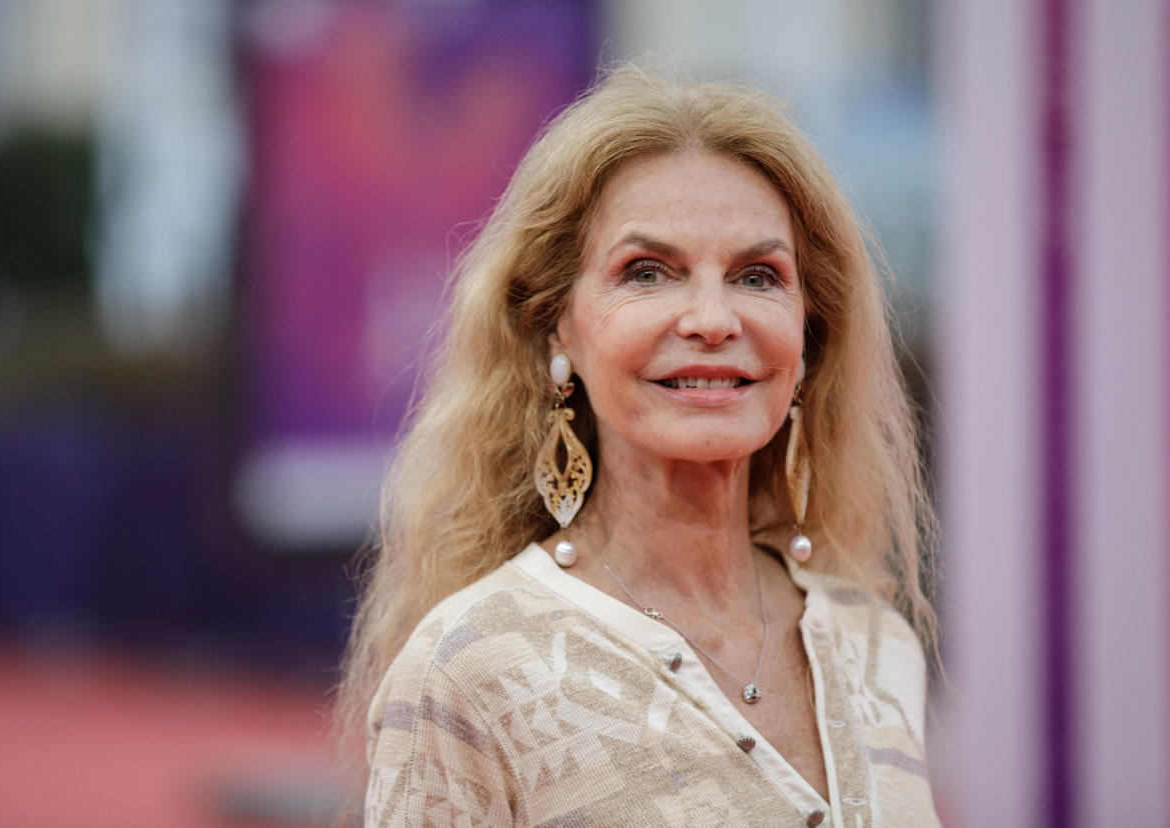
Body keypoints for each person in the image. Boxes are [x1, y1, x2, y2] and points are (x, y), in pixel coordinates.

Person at [336, 63, 940, 826]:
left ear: (809, 335)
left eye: (759, 276)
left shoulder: (878, 648)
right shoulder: (469, 671)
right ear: (558, 327)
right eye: (647, 272)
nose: (714, 319)